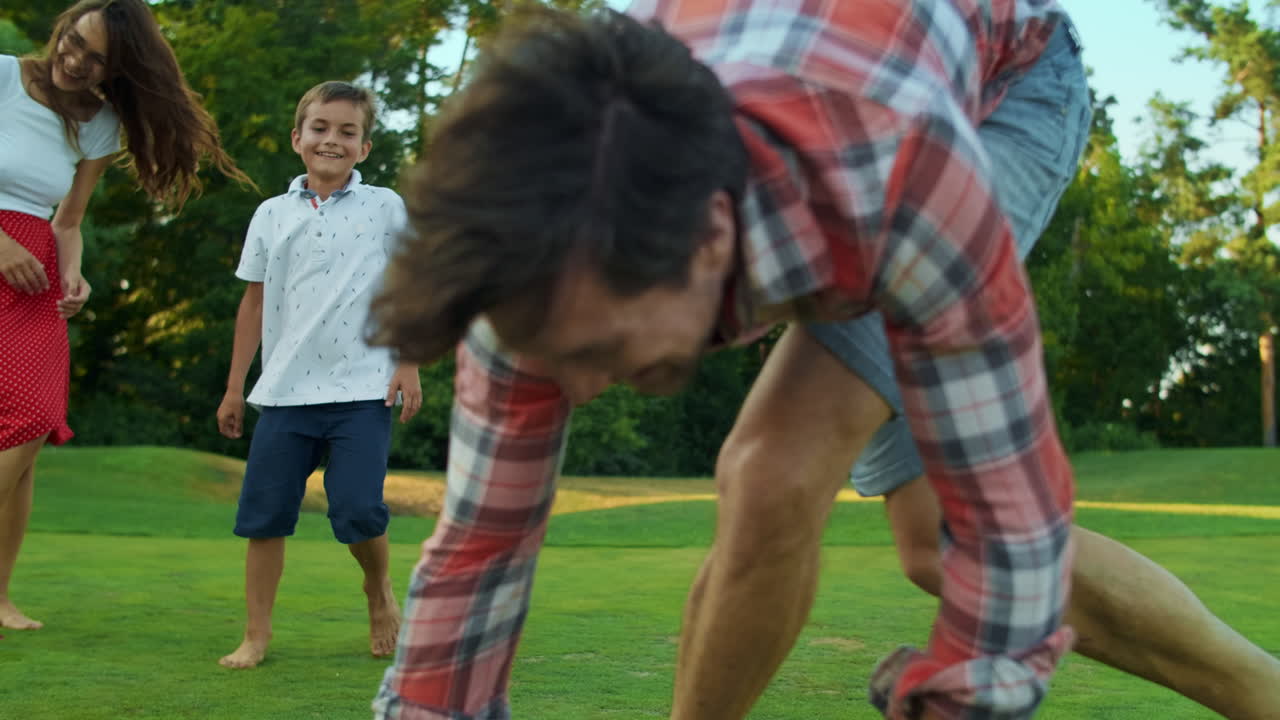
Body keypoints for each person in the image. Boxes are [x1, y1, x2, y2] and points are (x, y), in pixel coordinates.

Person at [367, 4, 1279, 720]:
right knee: (931, 542)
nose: (579, 390)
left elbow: (1010, 515)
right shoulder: (529, 259)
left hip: (1004, 87)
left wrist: (969, 692)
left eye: (601, 349)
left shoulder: (905, 193)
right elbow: (478, 548)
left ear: (710, 238)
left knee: (775, 471)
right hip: (816, 90)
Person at [0, 0, 250, 633]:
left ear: (118, 70)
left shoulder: (100, 124)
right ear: (61, 29)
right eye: (72, 41)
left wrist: (75, 273)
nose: (74, 61)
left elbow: (69, 220)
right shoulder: (2, 77)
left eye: (95, 58)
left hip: (34, 276)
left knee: (32, 424)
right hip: (4, 251)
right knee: (23, 430)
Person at [215, 80, 422, 670]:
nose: (332, 139)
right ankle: (256, 636)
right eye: (321, 128)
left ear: (364, 147)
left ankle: (378, 591)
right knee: (264, 517)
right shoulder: (270, 213)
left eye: (347, 132)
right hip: (284, 392)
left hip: (363, 387)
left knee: (356, 509)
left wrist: (409, 361)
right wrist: (235, 387)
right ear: (297, 138)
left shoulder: (385, 206)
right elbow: (254, 303)